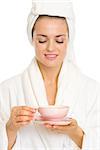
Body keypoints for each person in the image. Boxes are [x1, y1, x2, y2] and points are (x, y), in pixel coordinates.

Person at [0, 0, 100, 150]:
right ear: (32, 39)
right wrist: (11, 127)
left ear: (69, 40)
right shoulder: (8, 89)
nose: (51, 48)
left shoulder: (92, 90)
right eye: (42, 40)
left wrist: (76, 133)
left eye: (59, 40)